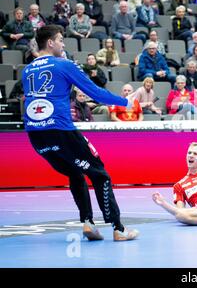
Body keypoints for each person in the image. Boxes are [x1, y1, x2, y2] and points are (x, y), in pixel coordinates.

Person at [23, 25, 138, 241]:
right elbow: (94, 92)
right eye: (60, 40)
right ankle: (118, 229)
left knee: (75, 173)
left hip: (36, 135)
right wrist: (125, 102)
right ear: (50, 43)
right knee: (100, 174)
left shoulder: (27, 69)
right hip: (61, 130)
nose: (63, 44)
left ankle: (87, 223)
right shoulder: (63, 64)